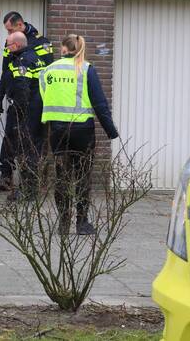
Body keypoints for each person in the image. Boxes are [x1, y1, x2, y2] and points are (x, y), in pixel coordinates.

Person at [39, 34, 119, 236]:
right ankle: (82, 223)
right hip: (83, 131)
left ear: (64, 49)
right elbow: (99, 103)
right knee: (82, 176)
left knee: (62, 177)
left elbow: (44, 97)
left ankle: (63, 224)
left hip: (57, 131)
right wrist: (111, 131)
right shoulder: (86, 69)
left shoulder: (48, 70)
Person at [0, 11, 54, 193]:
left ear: (20, 25)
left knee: (32, 142)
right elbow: (6, 72)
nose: (8, 34)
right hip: (16, 101)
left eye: (10, 30)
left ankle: (32, 184)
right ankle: (6, 178)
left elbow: (48, 74)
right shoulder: (10, 42)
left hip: (34, 103)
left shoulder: (42, 43)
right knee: (10, 137)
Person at [0, 31, 46, 201]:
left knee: (26, 151)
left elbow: (22, 89)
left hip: (27, 112)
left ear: (16, 45)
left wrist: (18, 114)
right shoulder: (36, 58)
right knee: (33, 150)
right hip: (38, 111)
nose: (7, 49)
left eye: (9, 46)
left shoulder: (22, 61)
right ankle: (29, 189)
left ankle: (28, 191)